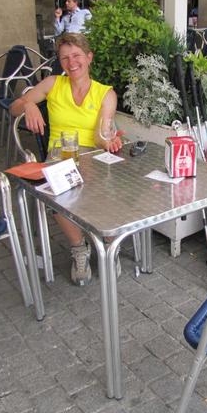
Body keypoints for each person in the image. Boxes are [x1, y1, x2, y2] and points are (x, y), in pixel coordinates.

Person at [10, 33, 122, 286]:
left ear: (89, 57)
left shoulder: (105, 94)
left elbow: (100, 135)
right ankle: (79, 248)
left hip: (92, 155)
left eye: (77, 56)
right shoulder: (52, 84)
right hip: (59, 157)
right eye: (65, 58)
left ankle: (107, 247)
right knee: (56, 193)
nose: (72, 62)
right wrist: (28, 104)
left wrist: (108, 141)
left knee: (103, 190)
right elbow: (13, 108)